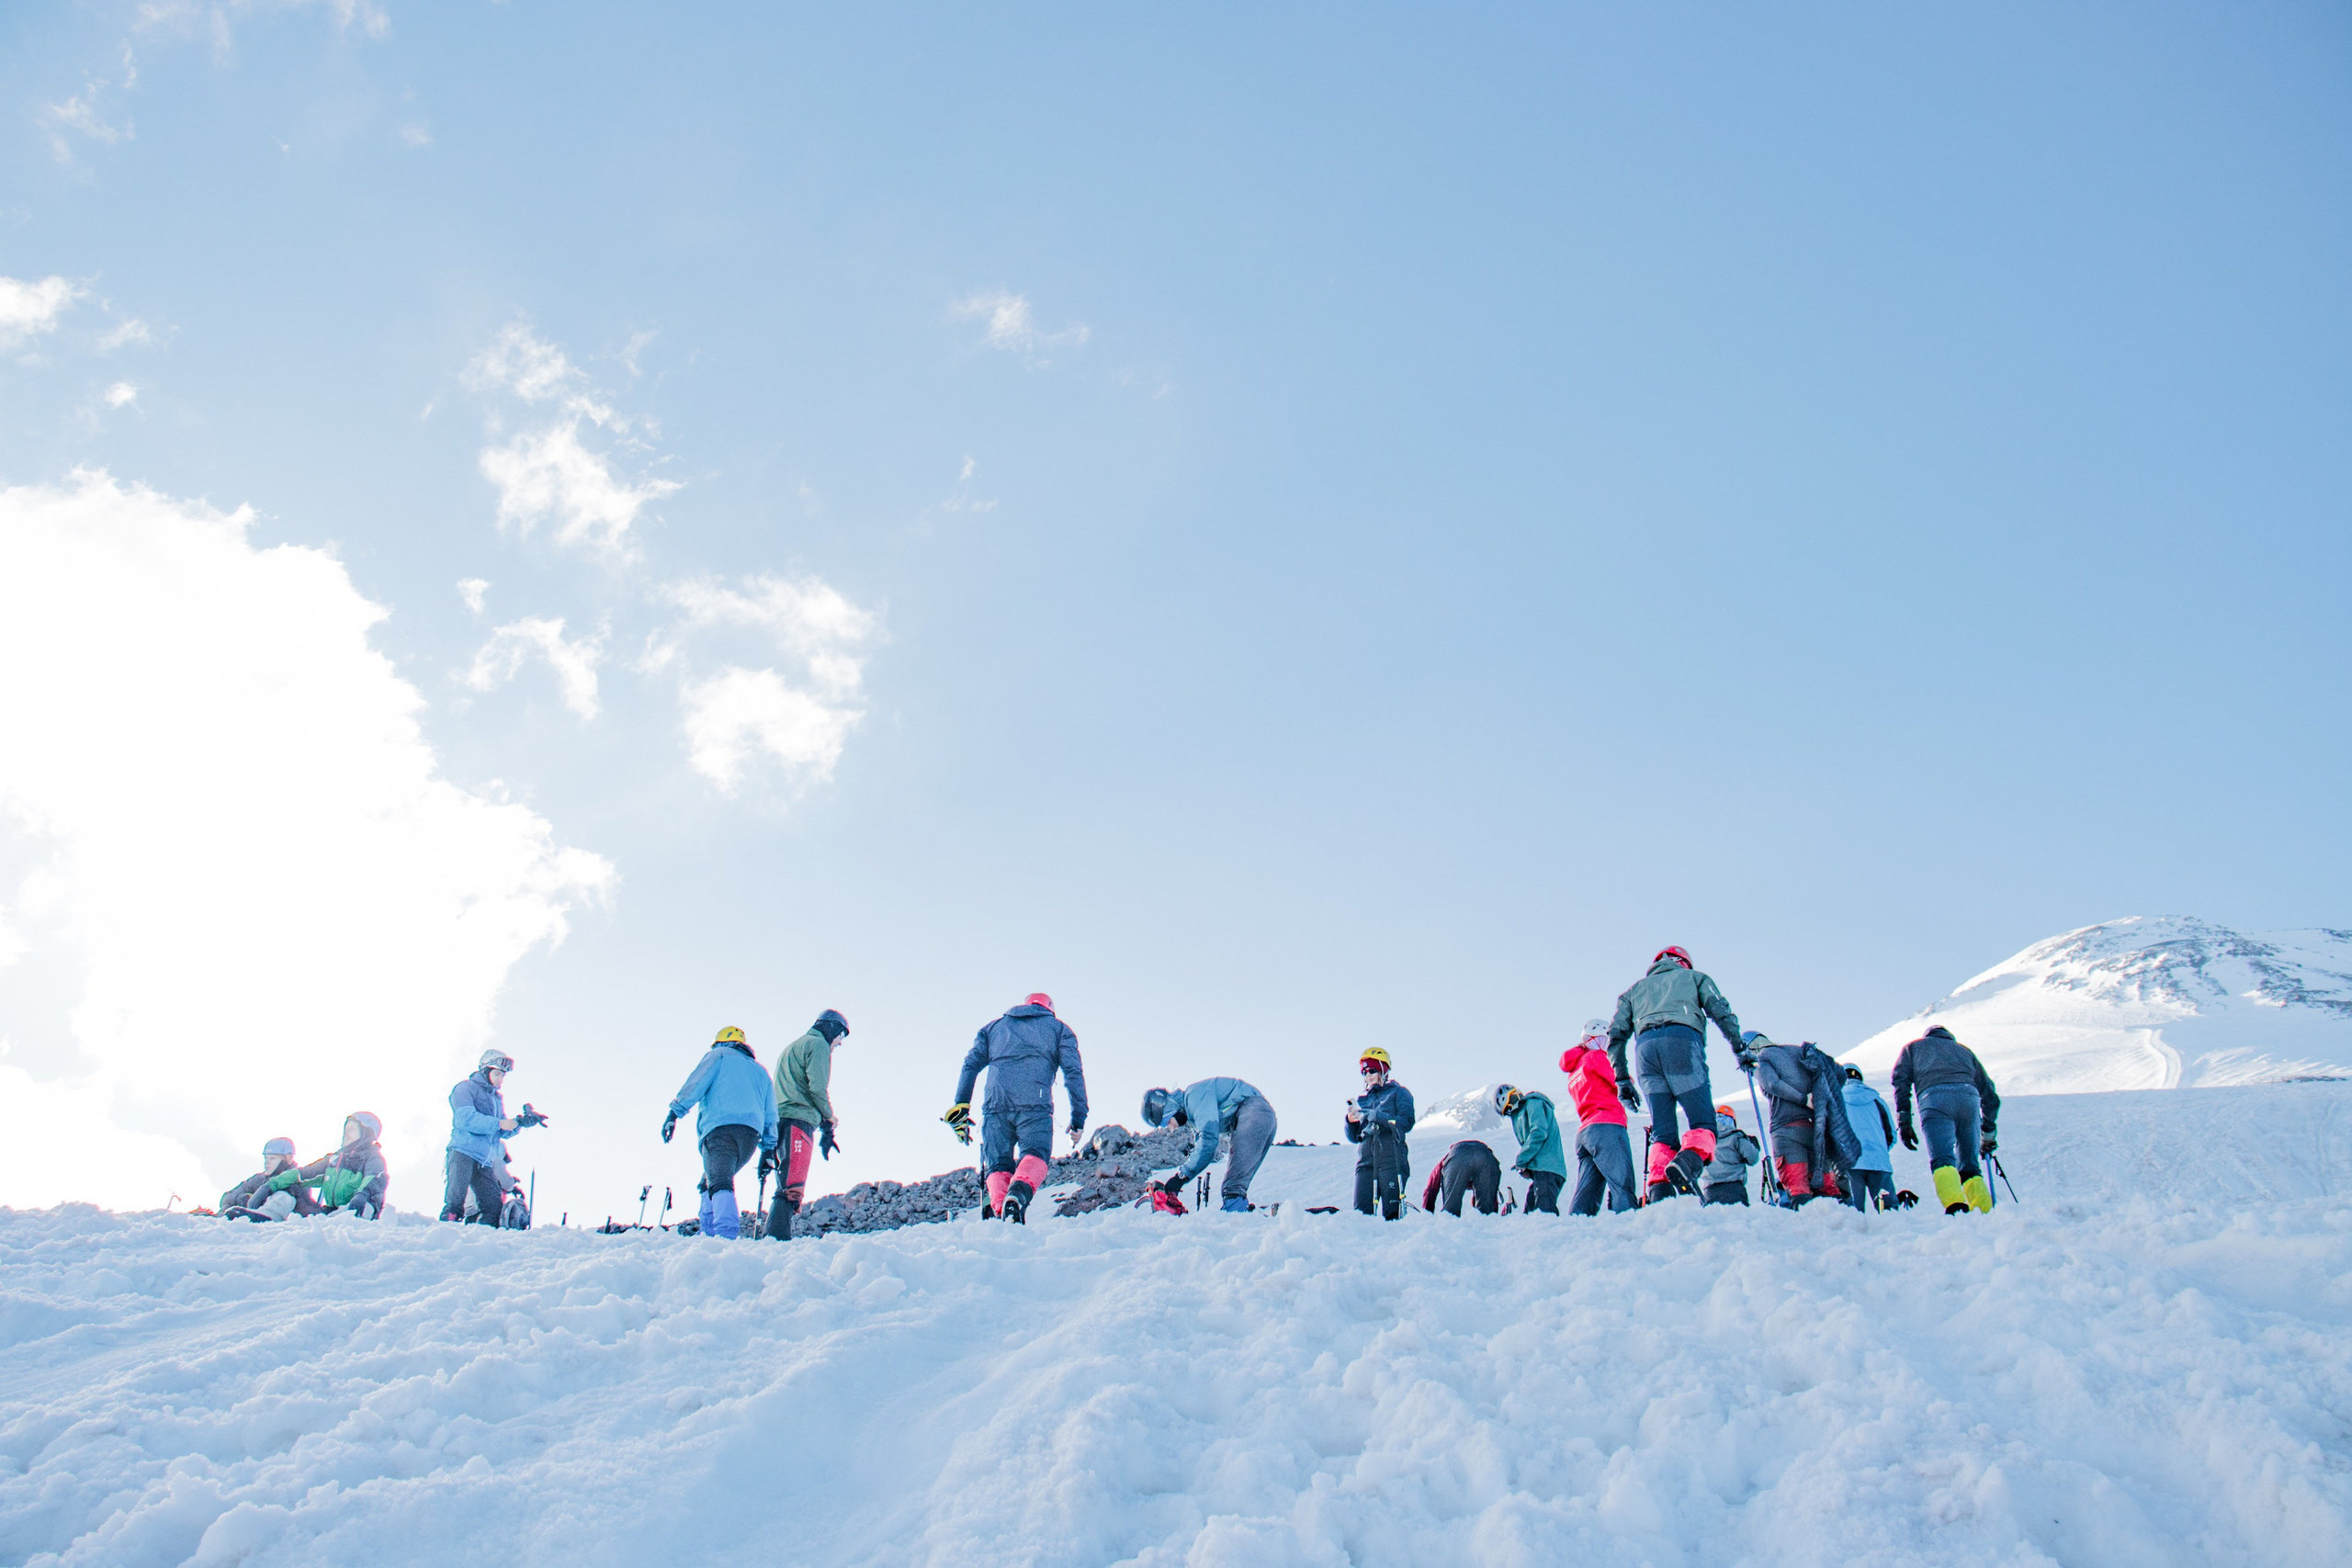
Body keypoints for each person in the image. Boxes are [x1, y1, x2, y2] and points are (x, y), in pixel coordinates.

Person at [1606, 947, 1745, 1201]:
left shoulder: (1633, 991)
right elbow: (1720, 1010)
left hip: (1645, 1051)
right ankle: (1687, 1162)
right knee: (1704, 1124)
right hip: (1682, 1042)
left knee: (1663, 1132)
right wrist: (1739, 1047)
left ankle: (1660, 1193)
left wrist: (1623, 1079)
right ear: (1684, 963)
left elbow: (1615, 1036)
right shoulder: (1694, 978)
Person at [945, 993, 1089, 1224]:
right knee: (1036, 1154)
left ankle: (1002, 1211)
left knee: (998, 1165)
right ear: (1050, 1010)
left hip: (994, 1106)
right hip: (1035, 1106)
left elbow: (970, 1065)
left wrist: (961, 1105)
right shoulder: (1059, 1029)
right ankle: (1017, 1197)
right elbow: (1073, 1073)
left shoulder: (993, 1029)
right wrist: (1078, 1119)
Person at [663, 1025, 780, 1239]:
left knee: (720, 1181)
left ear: (719, 1042)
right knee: (710, 1179)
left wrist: (674, 1114)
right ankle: (708, 1235)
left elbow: (696, 1083)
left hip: (721, 1129)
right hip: (750, 1138)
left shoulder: (719, 1055)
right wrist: (769, 1149)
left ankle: (725, 1235)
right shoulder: (761, 1071)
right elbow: (771, 1112)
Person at [1893, 1023, 2001, 1214]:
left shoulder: (1913, 1048)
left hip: (1934, 1101)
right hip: (1969, 1101)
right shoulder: (1964, 1052)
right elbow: (1990, 1095)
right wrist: (1989, 1135)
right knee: (1970, 1165)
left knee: (1942, 1159)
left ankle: (1955, 1205)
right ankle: (1984, 1210)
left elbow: (1901, 1083)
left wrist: (1904, 1121)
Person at [1744, 1032, 1860, 1204]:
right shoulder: (1800, 1052)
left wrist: (1804, 1099)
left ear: (1751, 1046)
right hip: (1816, 1131)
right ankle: (1841, 1225)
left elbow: (1772, 1084)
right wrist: (1821, 1097)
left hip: (1786, 1130)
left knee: (1797, 1187)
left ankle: (1807, 1224)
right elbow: (1839, 1074)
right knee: (1828, 1187)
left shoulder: (1763, 1058)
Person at [764, 1009, 850, 1240]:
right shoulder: (818, 1045)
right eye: (841, 1035)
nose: (839, 1043)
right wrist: (829, 1120)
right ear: (831, 1028)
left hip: (780, 1120)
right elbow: (817, 1088)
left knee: (785, 1182)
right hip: (798, 1121)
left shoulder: (794, 1046)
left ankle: (772, 1240)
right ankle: (776, 1244)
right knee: (792, 1189)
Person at [1142, 1078, 1279, 1213]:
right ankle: (1251, 1213)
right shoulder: (1193, 1115)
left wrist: (1180, 1178)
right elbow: (1201, 1149)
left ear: (1168, 1107)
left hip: (1253, 1112)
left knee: (1232, 1188)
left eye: (1166, 1122)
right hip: (1261, 1115)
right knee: (1236, 1184)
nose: (1170, 1128)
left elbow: (1208, 1141)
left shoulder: (1194, 1095)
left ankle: (1235, 1218)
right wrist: (1180, 1178)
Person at [445, 1050, 546, 1224]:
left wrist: (520, 1122)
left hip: (484, 1160)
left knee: (493, 1207)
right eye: (497, 1074)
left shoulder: (495, 1098)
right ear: (485, 1070)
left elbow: (502, 1131)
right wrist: (499, 1124)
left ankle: (480, 1241)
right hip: (463, 1152)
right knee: (455, 1203)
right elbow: (466, 1119)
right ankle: (444, 1236)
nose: (500, 1079)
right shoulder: (466, 1088)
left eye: (502, 1076)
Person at [1557, 1021, 1637, 1215]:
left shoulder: (1575, 1070)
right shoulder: (1596, 1057)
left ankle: (1576, 1230)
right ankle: (1630, 1231)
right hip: (1607, 1126)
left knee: (1587, 1192)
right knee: (1622, 1183)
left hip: (1586, 1132)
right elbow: (1620, 1080)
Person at [265, 1112, 389, 1218]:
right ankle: (269, 1215)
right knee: (291, 1187)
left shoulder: (372, 1158)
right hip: (331, 1213)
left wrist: (362, 1194)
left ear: (366, 1134)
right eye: (345, 1129)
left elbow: (375, 1178)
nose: (346, 1133)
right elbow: (302, 1174)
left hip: (358, 1209)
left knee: (364, 1206)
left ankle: (345, 1225)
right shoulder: (334, 1160)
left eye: (351, 1129)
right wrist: (269, 1186)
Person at [1346, 1048, 1417, 1219]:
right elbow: (1353, 1137)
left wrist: (1377, 1116)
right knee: (1361, 1215)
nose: (1368, 1075)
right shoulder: (1363, 1099)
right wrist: (1350, 1121)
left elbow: (1406, 1122)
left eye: (1372, 1070)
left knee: (1392, 1214)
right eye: (1364, 1072)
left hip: (1391, 1158)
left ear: (1383, 1070)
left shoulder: (1399, 1093)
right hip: (1366, 1160)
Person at [1493, 1084, 1569, 1215]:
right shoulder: (1525, 1109)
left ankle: (1556, 1234)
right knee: (1531, 1214)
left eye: (1509, 1108)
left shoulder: (1533, 1103)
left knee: (1544, 1215)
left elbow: (1538, 1133)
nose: (1511, 1112)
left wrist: (1521, 1159)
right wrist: (1528, 1166)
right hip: (1542, 1170)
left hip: (1548, 1168)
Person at [1839, 1066, 1898, 1212]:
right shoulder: (1877, 1100)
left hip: (1849, 1164)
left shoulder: (1836, 1100)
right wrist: (1880, 1151)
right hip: (1878, 1162)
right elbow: (1890, 1134)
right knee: (1888, 1212)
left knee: (1852, 1213)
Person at [220, 1138, 320, 1221]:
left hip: (283, 1217)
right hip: (248, 1215)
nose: (267, 1162)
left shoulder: (298, 1179)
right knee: (228, 1205)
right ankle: (218, 1219)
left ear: (288, 1158)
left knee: (284, 1195)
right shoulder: (259, 1179)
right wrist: (244, 1198)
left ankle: (267, 1216)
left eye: (272, 1158)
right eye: (266, 1158)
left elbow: (302, 1203)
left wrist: (263, 1199)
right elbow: (227, 1196)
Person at [1699, 1105, 1762, 1206]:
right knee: (1739, 1219)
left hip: (1710, 1191)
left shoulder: (1703, 1140)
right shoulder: (1736, 1137)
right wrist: (1753, 1146)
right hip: (1734, 1189)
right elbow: (1753, 1159)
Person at [1421, 1140, 1502, 1216]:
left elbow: (1432, 1185)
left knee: (1450, 1213)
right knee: (1486, 1213)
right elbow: (1492, 1190)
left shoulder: (1447, 1159)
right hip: (1486, 1156)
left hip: (1457, 1156)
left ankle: (1451, 1226)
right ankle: (1486, 1226)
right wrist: (1492, 1213)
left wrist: (1427, 1212)